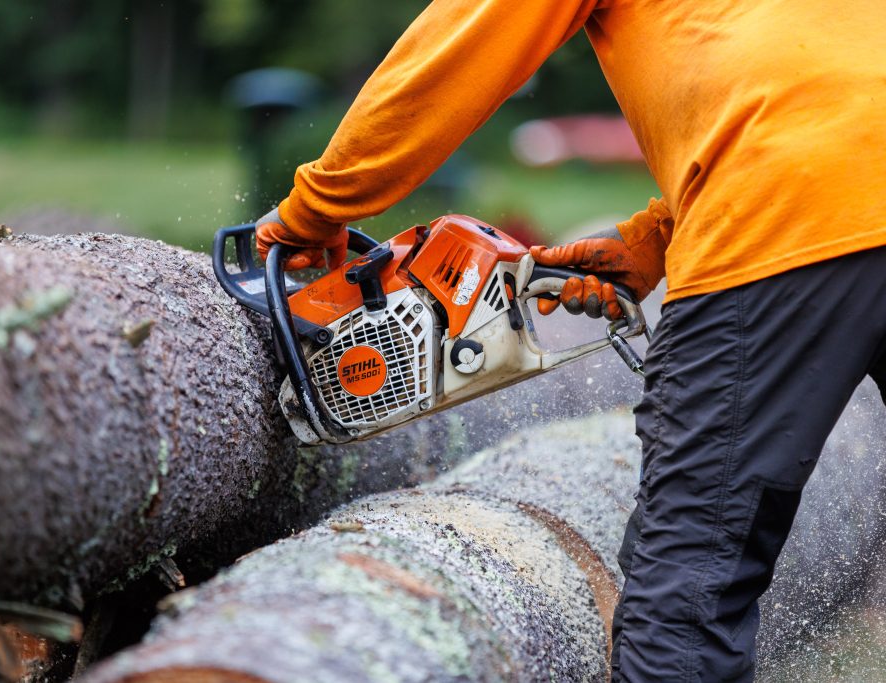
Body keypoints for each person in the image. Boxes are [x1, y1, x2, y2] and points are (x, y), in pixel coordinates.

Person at [253, 1, 886, 679]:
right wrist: (654, 242)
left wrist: (316, 209)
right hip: (823, 180)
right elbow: (823, 85)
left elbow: (463, 45)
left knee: (688, 593)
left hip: (785, 211)